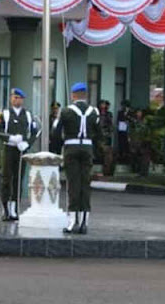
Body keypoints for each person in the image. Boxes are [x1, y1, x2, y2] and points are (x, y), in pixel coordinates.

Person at [51, 82, 104, 234]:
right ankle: (84, 222)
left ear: (73, 95)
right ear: (85, 95)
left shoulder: (66, 111)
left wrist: (59, 147)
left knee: (73, 184)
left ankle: (73, 221)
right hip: (87, 149)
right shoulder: (94, 112)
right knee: (85, 184)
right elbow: (100, 134)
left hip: (71, 149)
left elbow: (56, 133)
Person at [0, 88, 37, 221]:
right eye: (14, 97)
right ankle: (6, 208)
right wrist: (10, 138)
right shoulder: (4, 114)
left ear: (22, 100)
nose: (16, 99)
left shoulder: (28, 115)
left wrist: (27, 143)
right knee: (7, 178)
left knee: (18, 178)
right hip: (9, 149)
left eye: (18, 98)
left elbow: (34, 132)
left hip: (21, 150)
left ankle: (15, 208)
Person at [97, 100, 114, 175]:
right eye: (102, 104)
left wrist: (108, 132)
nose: (103, 106)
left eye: (104, 104)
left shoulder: (108, 114)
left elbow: (110, 125)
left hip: (106, 136)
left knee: (108, 153)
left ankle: (107, 171)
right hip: (98, 136)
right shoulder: (97, 113)